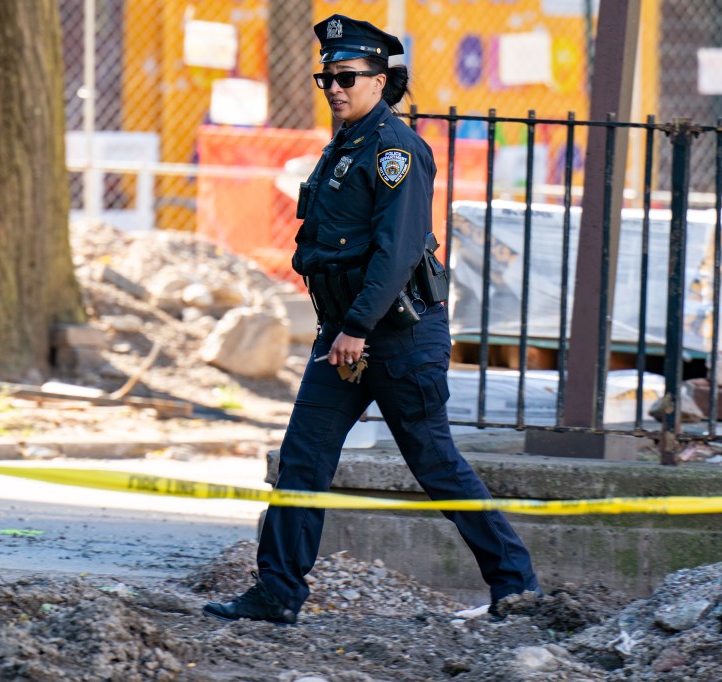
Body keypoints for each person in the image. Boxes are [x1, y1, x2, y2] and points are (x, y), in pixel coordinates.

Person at [203, 14, 540, 626]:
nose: (334, 88)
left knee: (436, 465)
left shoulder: (396, 151)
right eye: (326, 77)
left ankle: (516, 585)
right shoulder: (347, 144)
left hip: (396, 337)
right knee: (303, 458)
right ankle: (276, 593)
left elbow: (398, 251)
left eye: (347, 77)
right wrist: (345, 330)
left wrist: (355, 328)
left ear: (381, 81)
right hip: (346, 338)